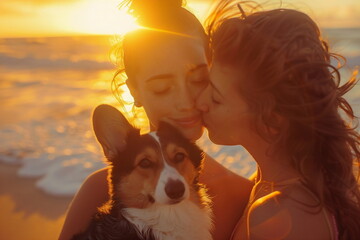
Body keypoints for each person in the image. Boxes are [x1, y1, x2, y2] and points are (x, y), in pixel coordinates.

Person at [58, 1, 253, 239]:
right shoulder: (98, 189)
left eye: (198, 78)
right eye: (162, 88)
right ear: (134, 91)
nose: (185, 101)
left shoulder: (244, 197)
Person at [197, 1, 360, 239]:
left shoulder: (283, 215)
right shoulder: (284, 179)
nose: (201, 102)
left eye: (216, 98)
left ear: (271, 121)